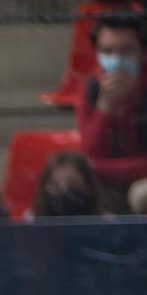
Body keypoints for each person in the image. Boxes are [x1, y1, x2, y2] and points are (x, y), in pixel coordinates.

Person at [76, 14, 147, 213]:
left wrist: (99, 168)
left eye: (126, 50)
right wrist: (105, 106)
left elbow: (92, 165)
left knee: (142, 194)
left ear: (143, 53)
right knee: (76, 189)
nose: (116, 59)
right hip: (110, 185)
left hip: (141, 186)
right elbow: (89, 154)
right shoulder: (91, 88)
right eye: (107, 51)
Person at [30, 150, 113, 218]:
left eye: (73, 184)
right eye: (55, 186)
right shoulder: (29, 225)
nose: (63, 191)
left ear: (89, 187)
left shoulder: (107, 226)